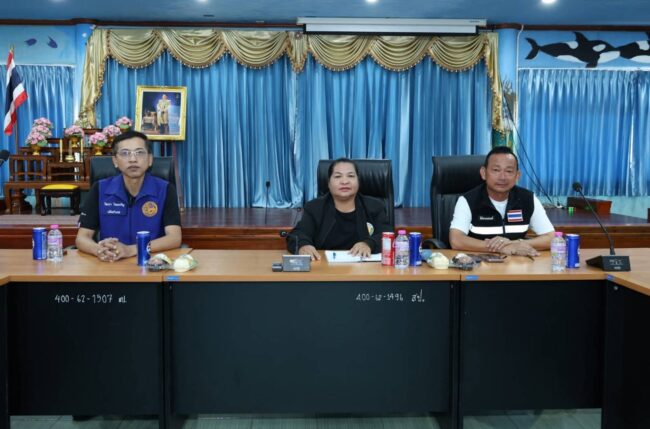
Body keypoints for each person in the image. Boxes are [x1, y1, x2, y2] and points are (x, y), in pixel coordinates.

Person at [76, 130, 182, 261]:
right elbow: (82, 237)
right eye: (125, 153)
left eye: (139, 153)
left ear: (150, 159)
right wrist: (99, 250)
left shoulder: (165, 189)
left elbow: (174, 238)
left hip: (151, 262)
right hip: (111, 264)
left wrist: (131, 250)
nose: (133, 159)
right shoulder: (100, 189)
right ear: (115, 161)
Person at [448, 146, 554, 256]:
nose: (502, 177)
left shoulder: (528, 199)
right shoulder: (468, 200)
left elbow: (551, 238)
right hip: (479, 263)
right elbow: (456, 240)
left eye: (509, 171)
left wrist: (515, 244)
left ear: (517, 176)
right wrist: (501, 248)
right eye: (496, 170)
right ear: (483, 173)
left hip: (518, 264)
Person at [288, 158, 393, 261]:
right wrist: (303, 245)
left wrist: (369, 243)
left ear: (358, 181)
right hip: (325, 267)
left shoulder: (374, 206)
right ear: (328, 183)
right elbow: (298, 234)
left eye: (351, 176)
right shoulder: (315, 208)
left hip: (363, 268)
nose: (344, 181)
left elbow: (387, 234)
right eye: (338, 176)